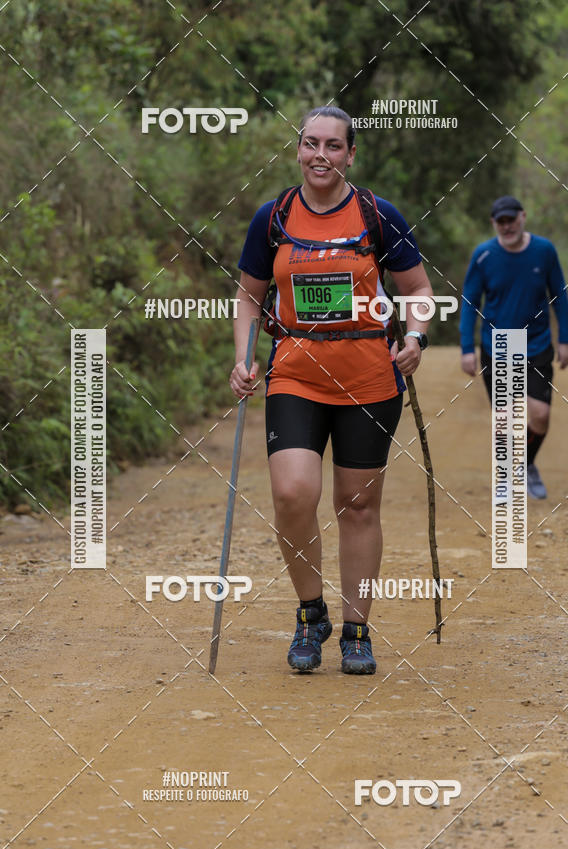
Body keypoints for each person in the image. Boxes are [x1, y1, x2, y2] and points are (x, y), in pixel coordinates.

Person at [230, 105, 433, 675]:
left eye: (333, 145)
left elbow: (418, 289)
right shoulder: (274, 217)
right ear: (298, 149)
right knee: (293, 493)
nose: (321, 155)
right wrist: (242, 357)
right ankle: (310, 612)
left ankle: (356, 630)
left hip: (369, 379)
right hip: (296, 374)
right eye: (311, 143)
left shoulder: (377, 215)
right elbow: (248, 296)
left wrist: (415, 336)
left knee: (357, 503)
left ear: (350, 154)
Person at [460, 195, 568, 499]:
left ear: (523, 217)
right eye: (501, 222)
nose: (507, 226)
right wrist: (467, 347)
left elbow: (559, 296)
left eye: (511, 219)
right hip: (497, 345)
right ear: (493, 223)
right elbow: (470, 302)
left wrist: (565, 339)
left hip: (536, 344)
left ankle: (527, 464)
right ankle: (506, 478)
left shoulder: (544, 251)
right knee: (506, 418)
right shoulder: (484, 255)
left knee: (540, 415)